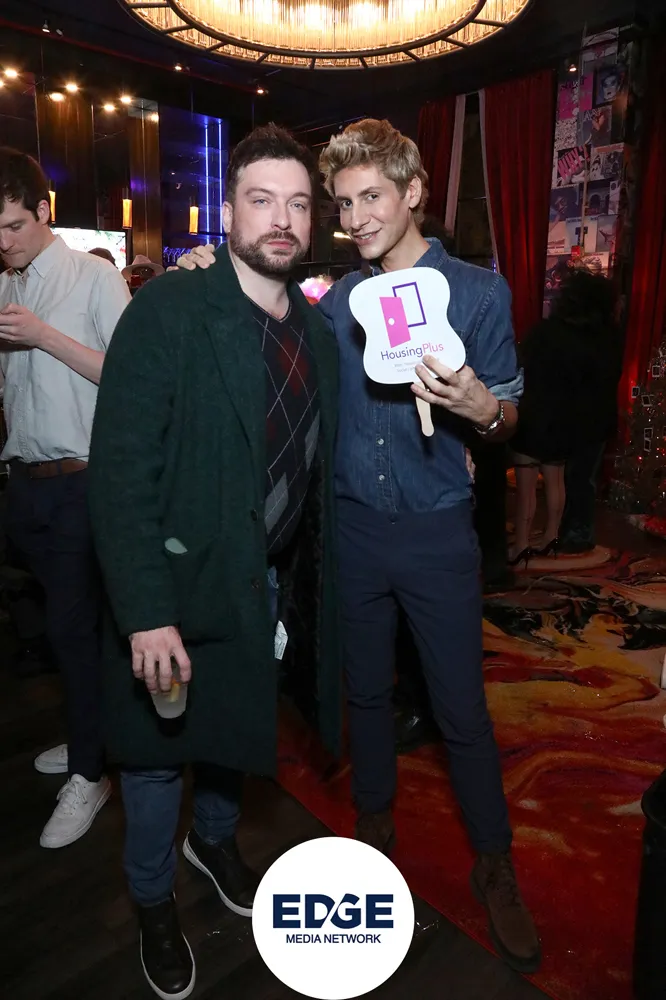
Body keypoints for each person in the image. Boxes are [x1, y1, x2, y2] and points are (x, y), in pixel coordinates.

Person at [180, 118, 540, 974]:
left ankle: (494, 863)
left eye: (370, 197)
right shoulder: (339, 304)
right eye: (342, 204)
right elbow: (269, 345)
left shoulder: (478, 293)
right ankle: (374, 828)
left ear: (413, 192)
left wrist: (483, 410)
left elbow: (510, 414)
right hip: (349, 532)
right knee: (365, 696)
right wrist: (208, 278)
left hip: (437, 533)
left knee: (460, 710)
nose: (355, 218)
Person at [87, 125, 342, 1000]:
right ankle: (152, 898)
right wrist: (145, 611)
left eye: (297, 203)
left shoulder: (315, 328)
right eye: (262, 200)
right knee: (158, 756)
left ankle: (216, 839)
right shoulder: (170, 308)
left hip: (259, 579)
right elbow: (121, 470)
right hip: (173, 584)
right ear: (228, 210)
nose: (281, 220)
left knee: (235, 727)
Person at [0, 147, 130, 845]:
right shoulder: (4, 285)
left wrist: (44, 336)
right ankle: (91, 735)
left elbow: (130, 377)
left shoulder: (93, 278)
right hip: (25, 483)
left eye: (14, 226)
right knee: (63, 629)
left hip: (83, 482)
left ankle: (91, 771)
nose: (4, 242)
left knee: (73, 629)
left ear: (44, 211)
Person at [509, 268, 621, 562]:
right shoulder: (608, 336)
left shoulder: (547, 332)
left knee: (528, 484)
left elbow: (521, 368)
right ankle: (556, 537)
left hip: (540, 417)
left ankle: (522, 544)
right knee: (573, 481)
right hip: (591, 421)